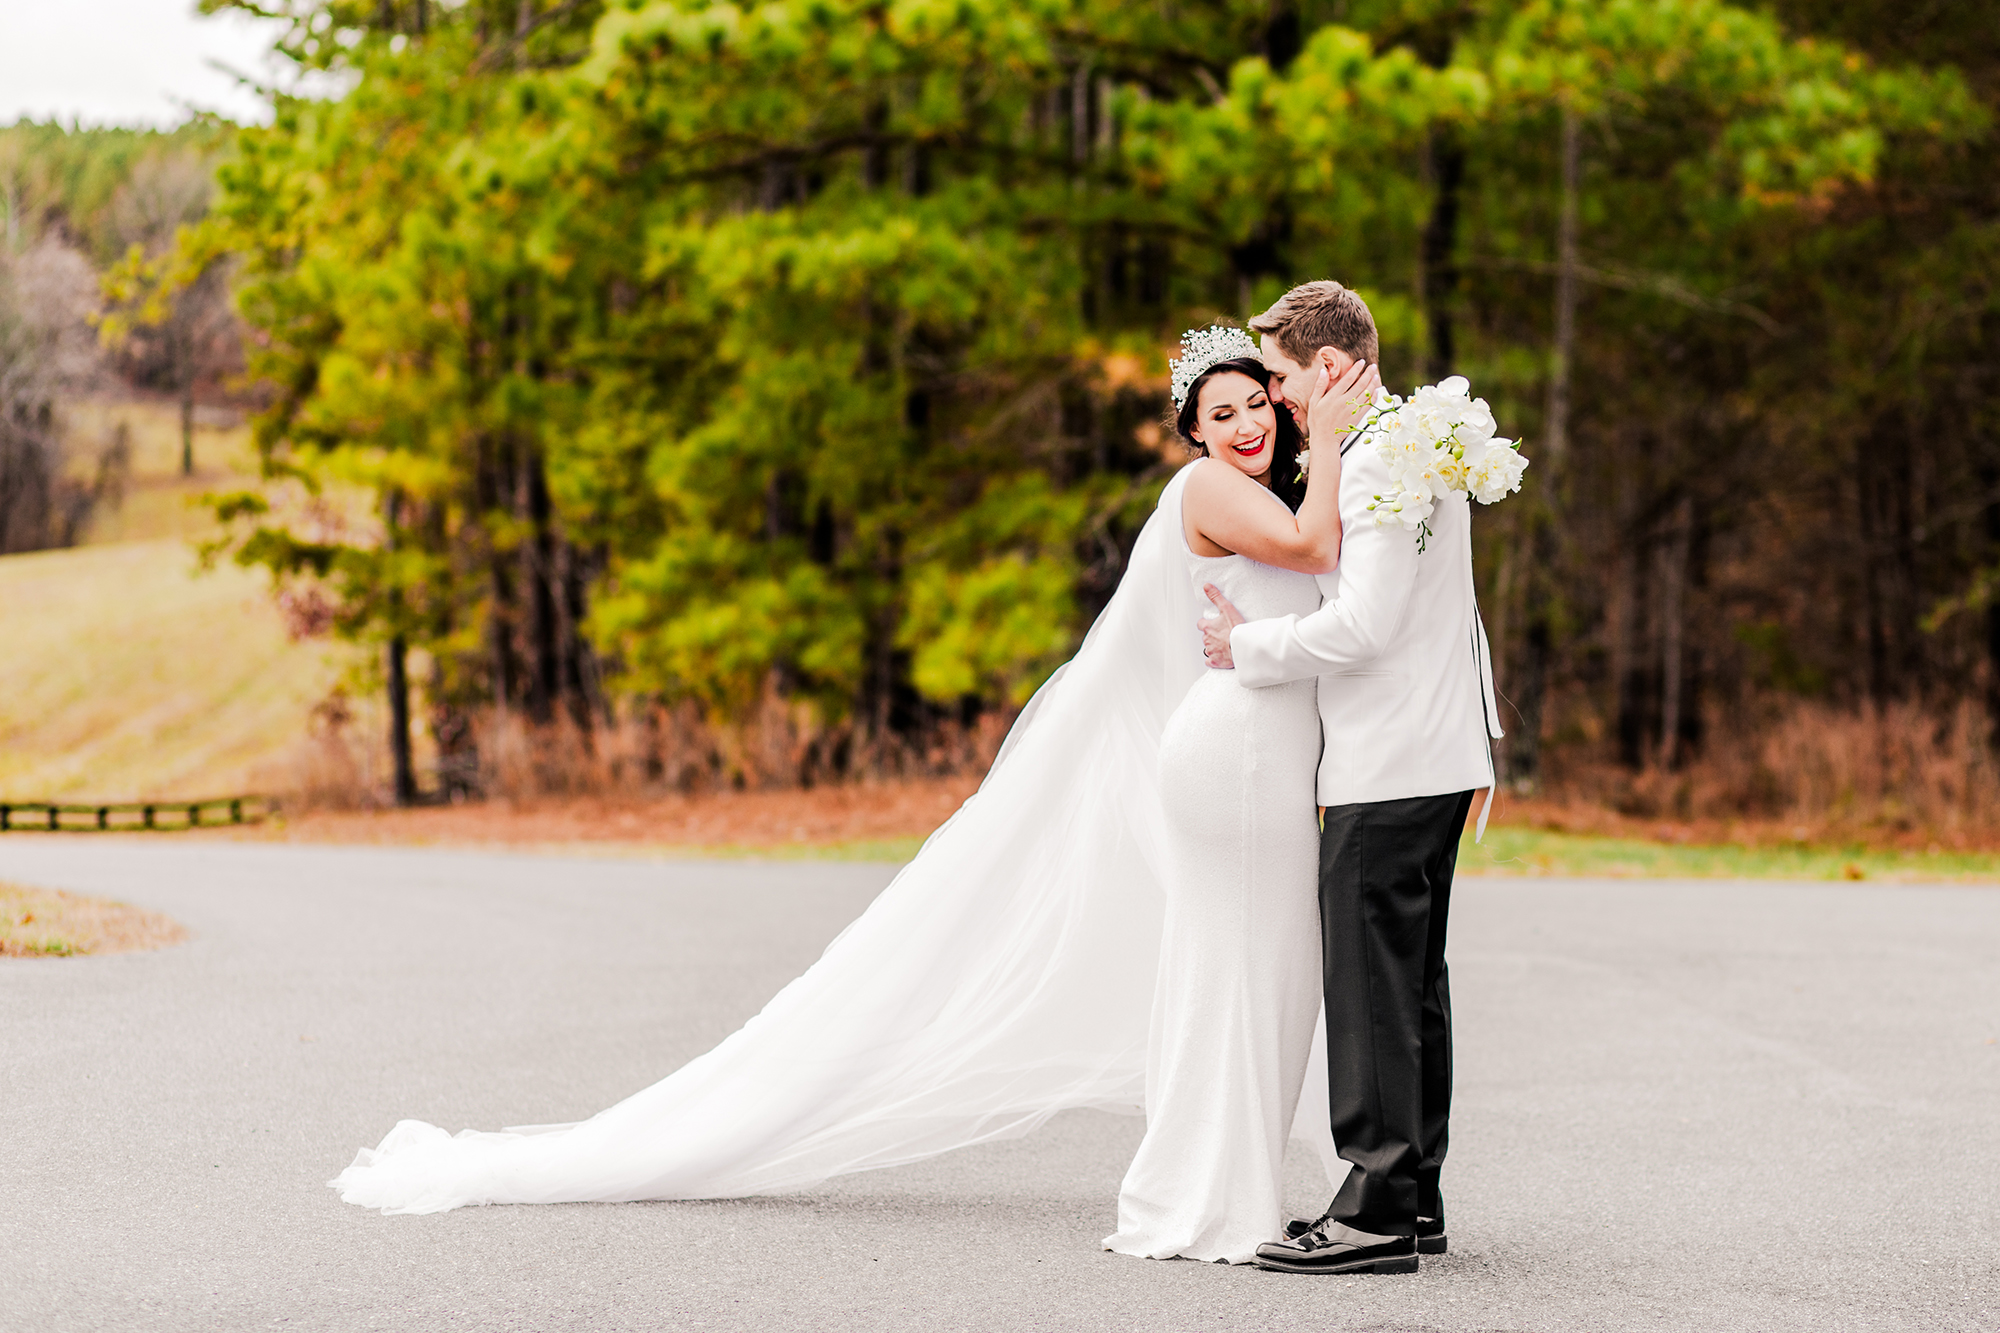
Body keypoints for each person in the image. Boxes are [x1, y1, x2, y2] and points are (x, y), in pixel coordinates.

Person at [329, 323, 1382, 1261]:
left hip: (1261, 760)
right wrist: (1328, 431)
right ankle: (1207, 1200)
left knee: (1257, 973)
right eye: (1219, 412)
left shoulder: (1269, 486)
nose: (1244, 422)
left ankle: (1223, 1189)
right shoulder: (1213, 492)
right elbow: (1313, 550)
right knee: (1238, 971)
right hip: (1230, 764)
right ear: (1191, 436)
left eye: (1255, 402)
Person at [1199, 280, 1502, 1276]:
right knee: (1412, 986)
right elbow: (1453, 613)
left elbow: (1363, 624)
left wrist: (1249, 645)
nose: (1277, 399)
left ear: (1327, 369)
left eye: (1282, 380)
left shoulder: (1377, 461)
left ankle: (1373, 1209)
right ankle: (1413, 1199)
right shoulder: (1422, 441)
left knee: (1372, 987)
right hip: (1437, 751)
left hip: (1386, 760)